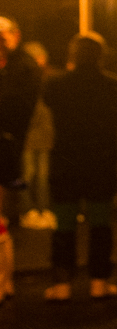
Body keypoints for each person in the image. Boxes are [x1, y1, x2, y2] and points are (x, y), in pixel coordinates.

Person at [41, 33, 117, 301]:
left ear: (73, 55)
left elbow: (49, 104)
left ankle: (62, 284)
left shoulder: (55, 85)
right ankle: (99, 281)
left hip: (66, 163)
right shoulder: (114, 85)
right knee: (100, 223)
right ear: (100, 56)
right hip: (101, 162)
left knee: (64, 224)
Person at [0, 15, 43, 303]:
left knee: (1, 219)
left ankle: (5, 282)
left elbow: (18, 107)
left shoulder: (23, 67)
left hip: (6, 149)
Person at [18, 41, 55, 230]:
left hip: (44, 136)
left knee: (43, 175)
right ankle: (28, 211)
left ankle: (43, 209)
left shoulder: (47, 78)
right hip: (28, 137)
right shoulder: (25, 80)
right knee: (29, 174)